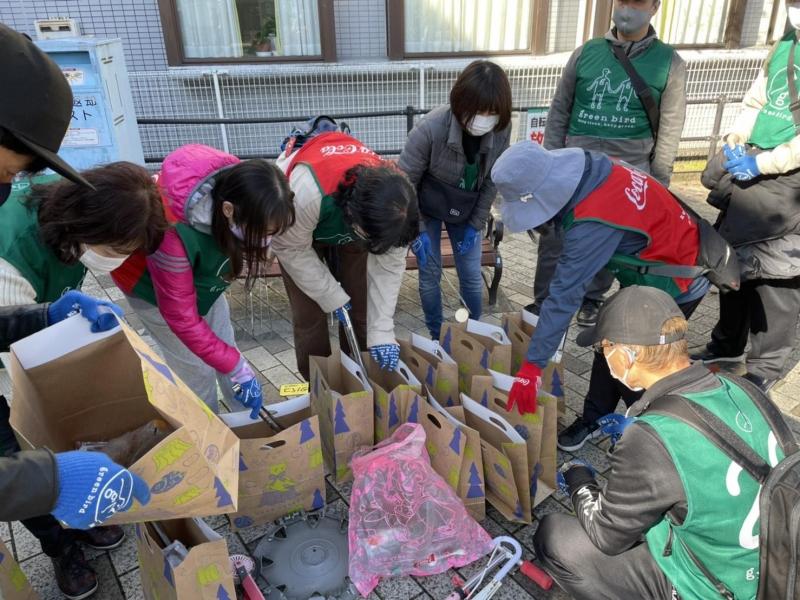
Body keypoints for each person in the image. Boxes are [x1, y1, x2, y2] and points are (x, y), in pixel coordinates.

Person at [1, 24, 153, 599]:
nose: (9, 185)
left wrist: (44, 317)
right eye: (12, 168)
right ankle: (61, 547)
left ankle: (73, 512)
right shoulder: (10, 246)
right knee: (16, 453)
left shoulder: (64, 234)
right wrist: (46, 475)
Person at [532, 285, 790, 600]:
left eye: (604, 349)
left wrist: (578, 477)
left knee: (555, 536)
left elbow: (607, 535)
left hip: (715, 587)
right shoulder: (743, 388)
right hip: (774, 565)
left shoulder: (652, 436)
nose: (603, 357)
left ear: (625, 354)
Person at [491, 141, 709, 445]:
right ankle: (595, 419)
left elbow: (563, 297)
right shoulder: (590, 168)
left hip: (677, 276)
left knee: (640, 361)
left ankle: (658, 439)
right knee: (610, 341)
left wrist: (532, 367)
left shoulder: (591, 221)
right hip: (655, 261)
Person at [534, 0, 686, 327]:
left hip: (628, 174)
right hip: (576, 168)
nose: (627, 9)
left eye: (637, 2)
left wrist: (659, 184)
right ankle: (542, 304)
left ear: (655, 7)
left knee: (607, 243)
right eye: (622, 1)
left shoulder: (668, 63)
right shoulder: (586, 53)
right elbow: (560, 110)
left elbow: (670, 129)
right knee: (556, 239)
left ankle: (591, 299)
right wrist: (549, 164)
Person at [112, 144, 295, 416]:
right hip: (151, 287)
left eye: (273, 232)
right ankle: (206, 434)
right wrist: (234, 366)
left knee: (225, 347)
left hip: (203, 278)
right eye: (263, 232)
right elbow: (182, 318)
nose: (267, 240)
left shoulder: (243, 187)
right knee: (194, 369)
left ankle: (246, 421)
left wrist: (236, 367)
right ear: (229, 210)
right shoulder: (172, 233)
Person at [693, 1, 800, 393]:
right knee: (735, 264)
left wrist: (766, 163)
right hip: (755, 165)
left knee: (777, 279)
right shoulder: (784, 45)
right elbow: (756, 102)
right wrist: (735, 140)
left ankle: (766, 366)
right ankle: (726, 345)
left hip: (789, 179)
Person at [272, 128, 418, 380]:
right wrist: (331, 295)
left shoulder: (398, 206)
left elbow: (389, 268)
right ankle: (320, 386)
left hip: (357, 230)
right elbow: (291, 248)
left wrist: (382, 332)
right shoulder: (306, 191)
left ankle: (360, 378)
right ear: (354, 217)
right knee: (309, 317)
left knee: (361, 310)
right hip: (301, 232)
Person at [398, 60, 512, 339]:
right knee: (430, 273)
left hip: (467, 207)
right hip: (427, 208)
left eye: (492, 112)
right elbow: (404, 183)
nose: (485, 118)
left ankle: (472, 334)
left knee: (471, 274)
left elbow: (491, 180)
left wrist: (475, 225)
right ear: (461, 102)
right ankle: (437, 335)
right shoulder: (430, 129)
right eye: (478, 111)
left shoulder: (500, 130)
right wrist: (418, 230)